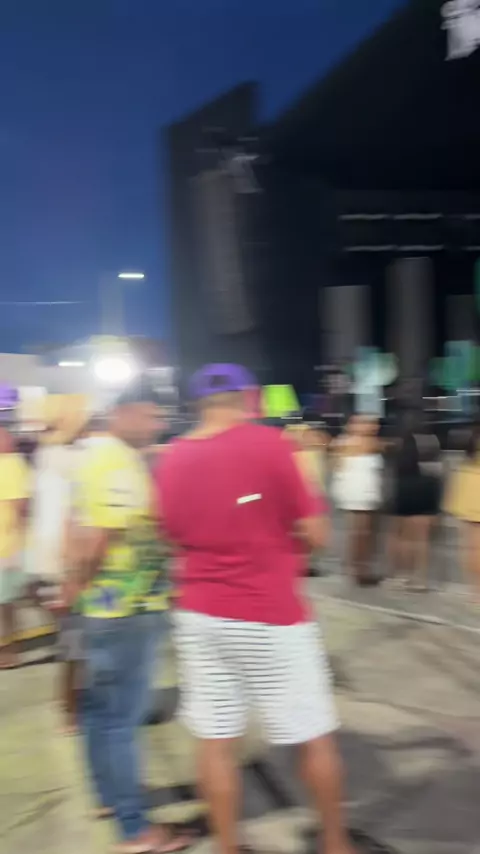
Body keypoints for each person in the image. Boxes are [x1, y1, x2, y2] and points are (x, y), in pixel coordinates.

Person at [156, 364, 355, 854]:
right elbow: (318, 535)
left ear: (198, 403)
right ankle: (335, 844)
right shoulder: (272, 446)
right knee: (313, 737)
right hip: (271, 613)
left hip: (200, 615)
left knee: (216, 741)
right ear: (248, 397)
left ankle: (228, 845)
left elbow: (170, 535)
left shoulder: (172, 457)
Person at [64, 376, 190, 854]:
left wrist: (76, 591)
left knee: (99, 711)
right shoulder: (115, 462)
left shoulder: (96, 456)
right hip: (125, 609)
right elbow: (98, 538)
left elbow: (78, 528)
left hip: (105, 607)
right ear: (123, 412)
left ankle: (107, 798)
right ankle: (135, 831)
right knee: (121, 719)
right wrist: (80, 584)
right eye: (150, 415)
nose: (157, 425)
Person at [388, 409, 442, 591]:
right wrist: (436, 505)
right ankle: (420, 579)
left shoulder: (398, 442)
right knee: (421, 539)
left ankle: (402, 575)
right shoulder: (431, 441)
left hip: (404, 489)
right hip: (425, 490)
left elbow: (395, 469)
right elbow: (435, 471)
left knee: (402, 537)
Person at [331, 415, 383, 586]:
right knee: (361, 532)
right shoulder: (357, 443)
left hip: (360, 489)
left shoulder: (343, 442)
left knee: (360, 532)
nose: (373, 426)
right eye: (366, 423)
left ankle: (355, 567)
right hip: (358, 491)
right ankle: (359, 569)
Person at [0, 426, 31, 669]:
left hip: (7, 546)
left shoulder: (10, 464)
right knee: (8, 601)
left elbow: (21, 506)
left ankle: (9, 650)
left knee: (5, 603)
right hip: (9, 544)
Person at [443, 421, 480, 601]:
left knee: (473, 547)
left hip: (469, 496)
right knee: (475, 548)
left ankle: (475, 589)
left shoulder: (472, 439)